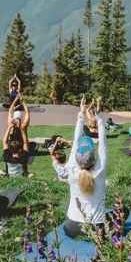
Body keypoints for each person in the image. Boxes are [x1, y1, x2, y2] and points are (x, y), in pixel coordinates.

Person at [53, 98, 108, 239]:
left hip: (72, 228)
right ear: (94, 157)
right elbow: (102, 143)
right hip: (96, 229)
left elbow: (76, 141)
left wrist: (81, 114)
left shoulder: (72, 171)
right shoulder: (99, 170)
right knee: (120, 213)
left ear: (76, 158)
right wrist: (99, 118)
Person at [2, 93, 33, 177]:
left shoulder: (21, 126)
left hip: (18, 145)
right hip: (16, 145)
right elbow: (11, 112)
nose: (16, 120)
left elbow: (26, 113)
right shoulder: (19, 126)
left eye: (17, 119)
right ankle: (10, 171)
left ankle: (23, 171)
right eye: (16, 119)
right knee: (11, 158)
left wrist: (19, 101)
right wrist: (19, 101)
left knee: (21, 159)